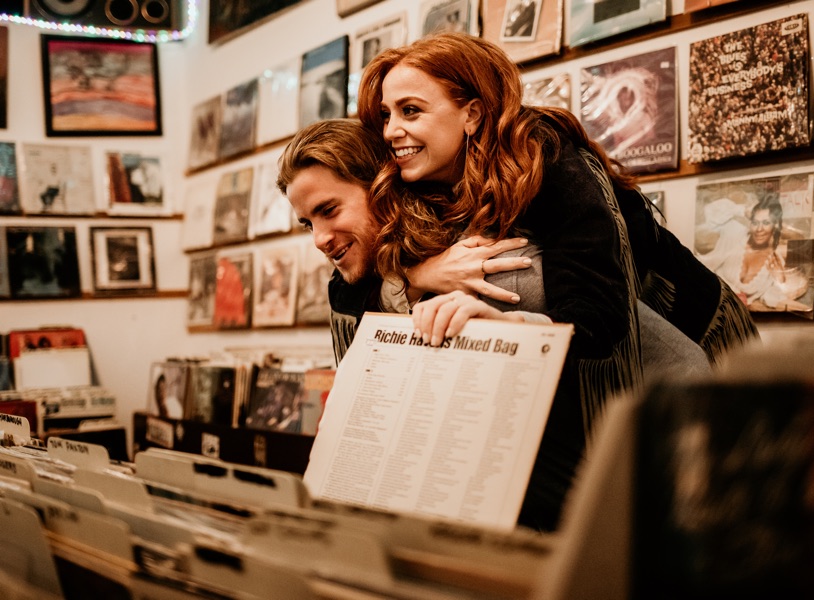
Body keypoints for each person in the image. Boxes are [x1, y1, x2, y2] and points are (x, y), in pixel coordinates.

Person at [278, 119, 711, 531]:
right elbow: (347, 296)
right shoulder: (398, 262)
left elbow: (591, 329)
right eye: (307, 223)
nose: (319, 238)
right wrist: (413, 278)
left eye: (329, 210)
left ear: (379, 185)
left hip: (670, 444)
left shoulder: (488, 250)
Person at [356, 32, 757, 364]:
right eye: (386, 115)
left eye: (411, 111)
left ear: (472, 115)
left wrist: (504, 325)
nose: (391, 130)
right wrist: (416, 277)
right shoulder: (409, 182)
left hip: (696, 345)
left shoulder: (545, 159)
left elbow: (595, 313)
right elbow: (348, 287)